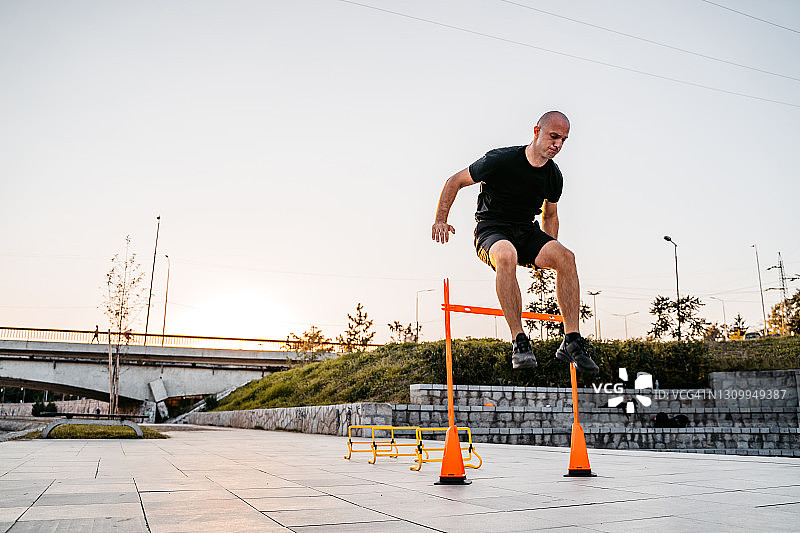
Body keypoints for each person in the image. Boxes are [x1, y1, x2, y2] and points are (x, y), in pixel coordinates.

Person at [432, 111, 598, 374]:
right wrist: (441, 219)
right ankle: (519, 340)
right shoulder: (501, 159)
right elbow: (455, 181)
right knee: (507, 254)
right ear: (537, 132)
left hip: (526, 232)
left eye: (564, 140)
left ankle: (572, 340)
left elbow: (550, 214)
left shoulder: (553, 175)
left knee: (567, 257)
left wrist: (549, 252)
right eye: (554, 137)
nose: (558, 145)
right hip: (491, 231)